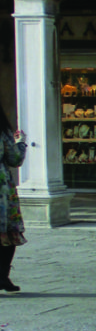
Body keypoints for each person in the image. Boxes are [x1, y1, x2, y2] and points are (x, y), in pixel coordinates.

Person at [0, 104, 26, 293]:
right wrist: (21, 142)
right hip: (2, 190)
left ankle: (2, 277)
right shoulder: (2, 132)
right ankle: (2, 276)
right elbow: (15, 159)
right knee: (7, 235)